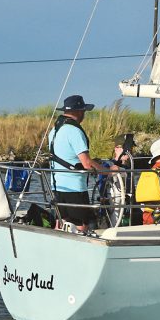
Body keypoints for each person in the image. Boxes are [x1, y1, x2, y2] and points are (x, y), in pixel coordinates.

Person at [49, 95, 118, 232]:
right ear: (79, 111)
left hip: (57, 186)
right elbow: (86, 163)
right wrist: (108, 171)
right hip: (74, 188)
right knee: (81, 225)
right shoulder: (74, 131)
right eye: (84, 111)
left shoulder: (54, 131)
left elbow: (67, 156)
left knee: (63, 222)